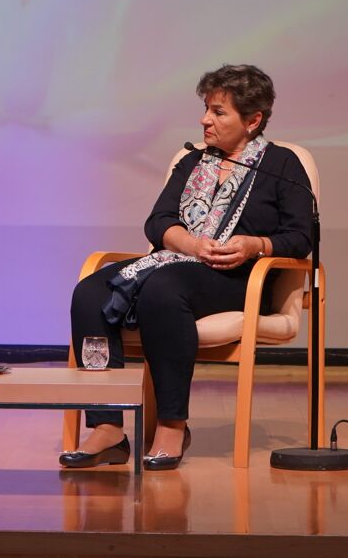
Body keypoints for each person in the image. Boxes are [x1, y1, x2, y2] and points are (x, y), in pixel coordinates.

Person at [61, 65, 313, 471]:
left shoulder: (281, 165)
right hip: (178, 262)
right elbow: (158, 222)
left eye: (218, 112)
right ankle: (107, 427)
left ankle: (171, 424)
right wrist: (193, 244)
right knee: (90, 292)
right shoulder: (192, 161)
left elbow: (301, 236)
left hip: (238, 277)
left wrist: (254, 245)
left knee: (162, 289)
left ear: (253, 121)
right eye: (206, 109)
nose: (205, 120)